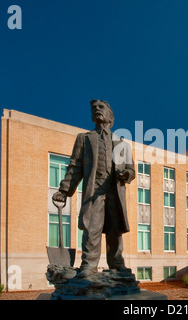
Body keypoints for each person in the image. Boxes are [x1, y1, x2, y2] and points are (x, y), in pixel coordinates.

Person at [52, 99, 135, 278]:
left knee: (114, 229)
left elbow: (131, 169)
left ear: (110, 116)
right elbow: (75, 167)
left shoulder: (122, 144)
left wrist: (127, 174)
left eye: (101, 107)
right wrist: (64, 190)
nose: (97, 109)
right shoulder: (84, 138)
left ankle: (117, 264)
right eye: (93, 108)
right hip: (94, 191)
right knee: (92, 227)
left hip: (114, 191)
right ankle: (89, 264)